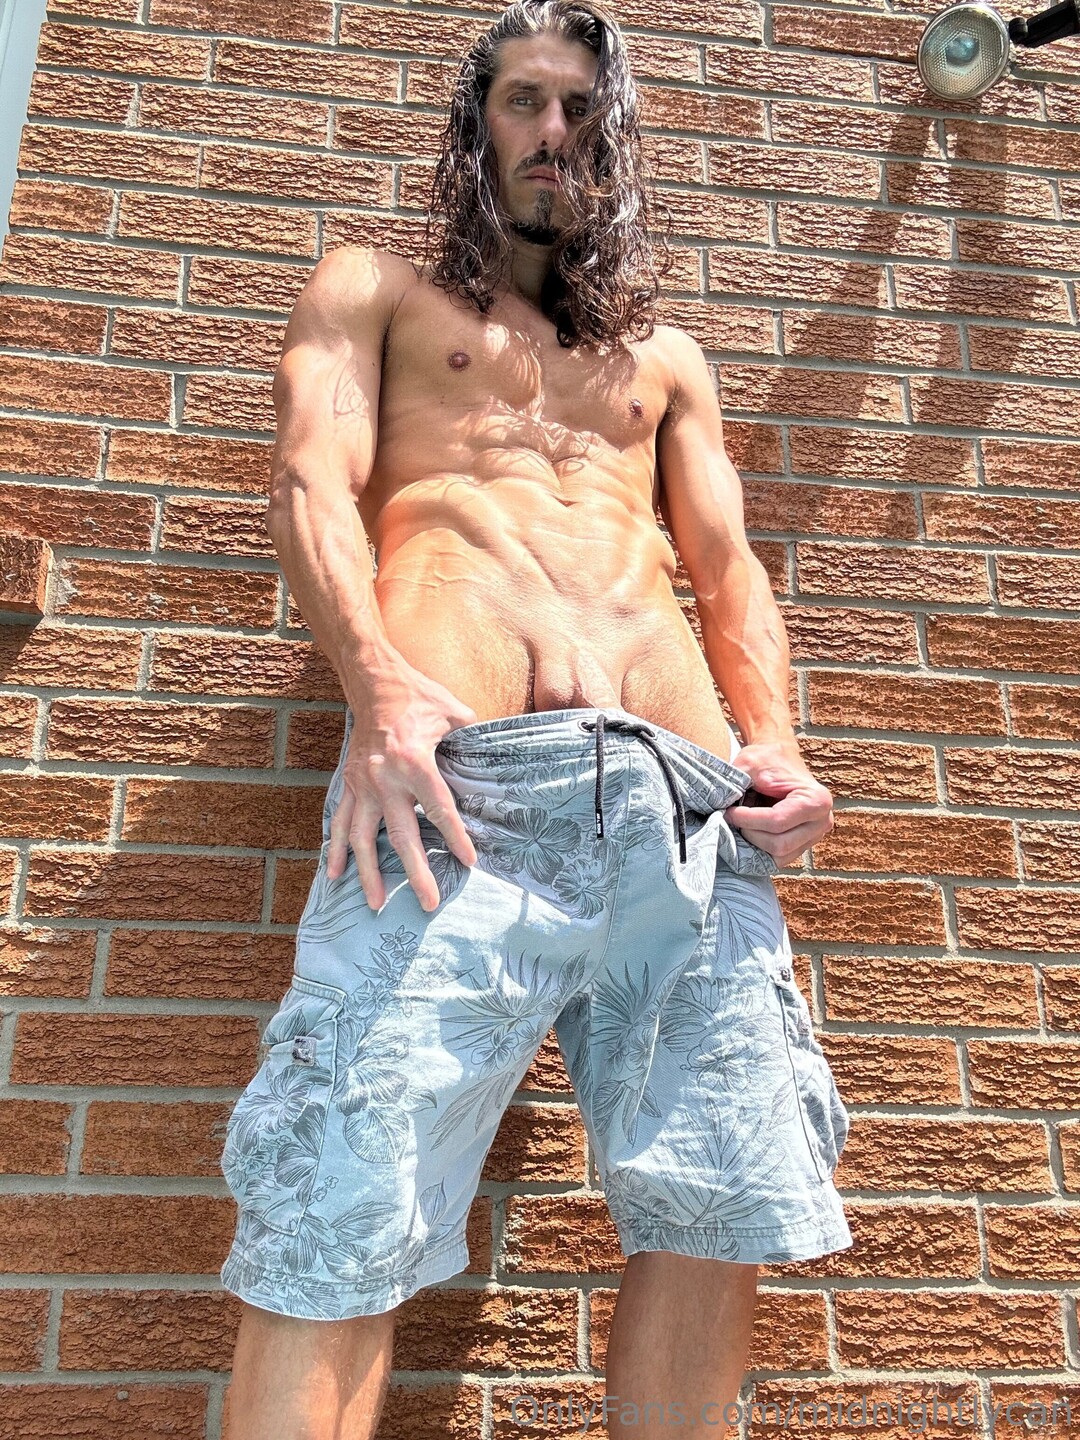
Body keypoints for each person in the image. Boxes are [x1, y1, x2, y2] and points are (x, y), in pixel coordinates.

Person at [217, 2, 853, 1435]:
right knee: (341, 1199)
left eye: (580, 110)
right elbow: (311, 481)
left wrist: (777, 743)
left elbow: (726, 567)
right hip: (455, 794)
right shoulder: (376, 291)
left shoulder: (666, 362)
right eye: (523, 100)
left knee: (717, 1200)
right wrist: (376, 686)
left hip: (692, 815)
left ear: (612, 143)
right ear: (476, 124)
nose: (552, 132)